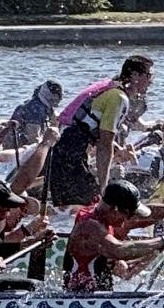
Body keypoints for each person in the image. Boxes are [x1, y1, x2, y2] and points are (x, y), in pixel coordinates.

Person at [46, 56, 154, 208]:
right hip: (69, 157)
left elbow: (91, 130)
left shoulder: (110, 87)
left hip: (61, 153)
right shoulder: (118, 98)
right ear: (134, 75)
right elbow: (104, 145)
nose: (151, 81)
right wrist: (104, 187)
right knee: (94, 205)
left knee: (71, 209)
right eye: (149, 75)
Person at [63, 180, 164, 291]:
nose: (128, 220)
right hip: (81, 301)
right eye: (129, 214)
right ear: (115, 209)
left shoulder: (104, 221)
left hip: (99, 299)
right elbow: (118, 250)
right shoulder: (89, 226)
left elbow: (126, 272)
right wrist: (162, 242)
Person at [7, 81, 63, 146]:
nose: (59, 99)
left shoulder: (43, 104)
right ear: (47, 94)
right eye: (56, 96)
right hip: (16, 146)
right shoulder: (35, 109)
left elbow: (55, 120)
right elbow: (33, 138)